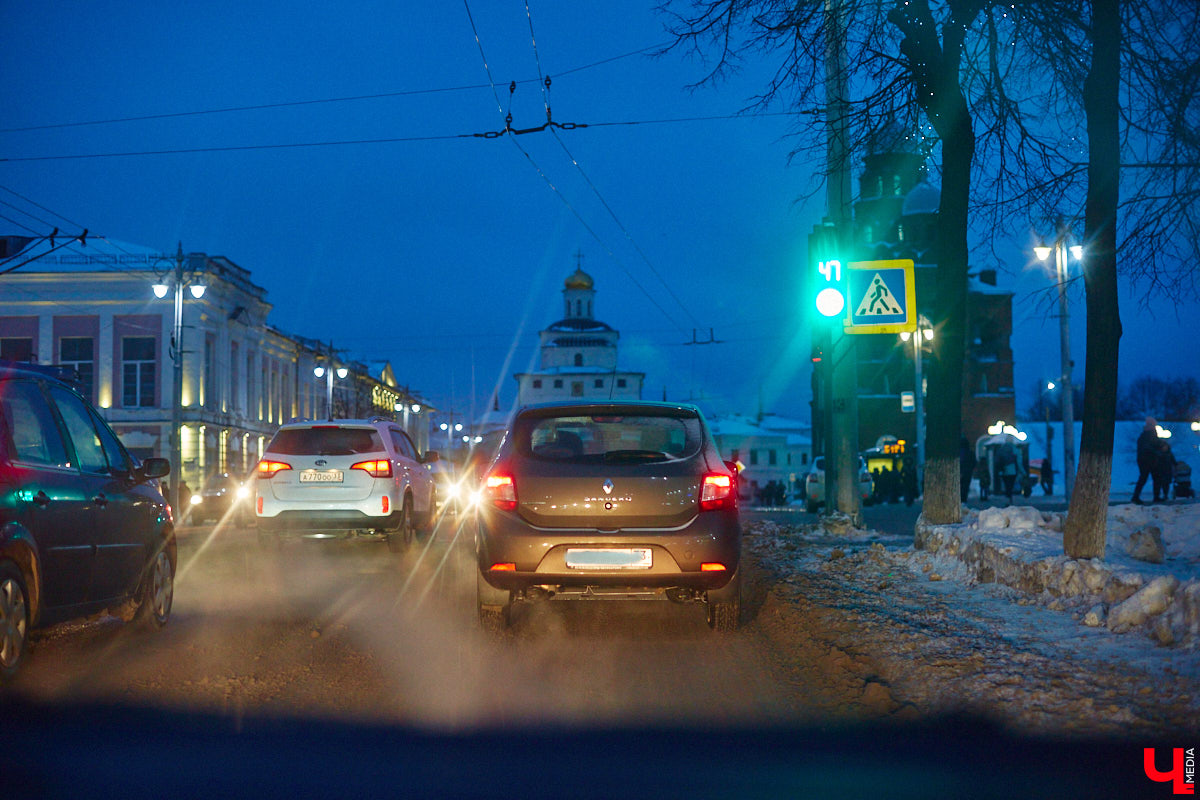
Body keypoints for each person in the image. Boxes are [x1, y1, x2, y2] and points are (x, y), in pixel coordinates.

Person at [1131, 417, 1158, 505]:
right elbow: (1150, 446)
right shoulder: (1149, 435)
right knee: (1148, 477)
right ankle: (1137, 497)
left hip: (1146, 459)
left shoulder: (1145, 434)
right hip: (1147, 459)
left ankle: (1136, 496)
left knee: (1145, 478)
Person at [1152, 437, 1176, 503]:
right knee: (1158, 484)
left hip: (1167, 471)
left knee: (1166, 484)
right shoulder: (1158, 454)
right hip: (1159, 471)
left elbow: (1173, 461)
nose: (1165, 448)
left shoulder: (1169, 454)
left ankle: (1165, 495)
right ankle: (1156, 496)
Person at [959, 437, 977, 503]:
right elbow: (974, 462)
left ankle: (960, 499)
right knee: (965, 486)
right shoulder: (970, 452)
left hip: (960, 471)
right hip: (968, 472)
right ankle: (964, 499)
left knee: (960, 486)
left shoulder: (959, 452)